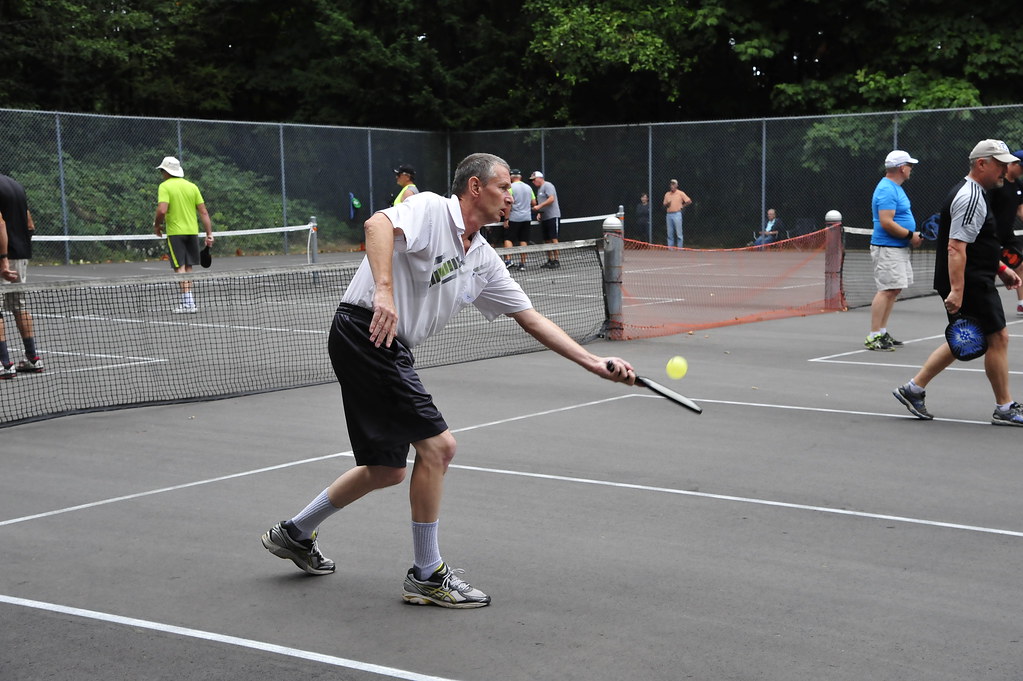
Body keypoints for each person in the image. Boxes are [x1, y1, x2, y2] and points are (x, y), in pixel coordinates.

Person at [261, 153, 637, 607]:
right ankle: (426, 574)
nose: (510, 198)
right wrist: (384, 291)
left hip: (384, 344)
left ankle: (295, 532)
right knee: (439, 448)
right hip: (367, 330)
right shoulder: (432, 209)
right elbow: (378, 225)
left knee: (386, 470)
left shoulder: (482, 257)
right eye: (503, 188)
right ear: (475, 187)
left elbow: (530, 318)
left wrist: (594, 362)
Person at [893, 139, 1023, 426]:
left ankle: (914, 389)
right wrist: (957, 291)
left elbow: (977, 242)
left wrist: (1001, 268)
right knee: (996, 337)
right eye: (999, 165)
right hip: (971, 281)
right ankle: (1004, 407)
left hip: (975, 277)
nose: (1005, 170)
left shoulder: (977, 193)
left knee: (970, 337)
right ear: (982, 164)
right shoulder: (970, 197)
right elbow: (956, 247)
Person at [864, 150, 924, 351]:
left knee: (894, 289)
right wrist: (910, 235)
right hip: (887, 248)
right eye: (910, 165)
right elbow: (886, 222)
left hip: (897, 248)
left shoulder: (895, 188)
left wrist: (912, 236)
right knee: (886, 290)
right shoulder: (887, 189)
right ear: (902, 168)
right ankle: (874, 335)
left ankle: (881, 332)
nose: (911, 169)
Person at [152, 156, 213, 314]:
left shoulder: (165, 186)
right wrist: (209, 234)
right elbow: (204, 212)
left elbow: (162, 210)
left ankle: (188, 302)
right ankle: (188, 301)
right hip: (192, 232)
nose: (161, 174)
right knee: (188, 266)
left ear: (166, 172)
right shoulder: (192, 187)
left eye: (162, 171)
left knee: (179, 267)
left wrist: (157, 225)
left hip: (176, 233)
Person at [0, 172, 42, 379]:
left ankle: (4, 364)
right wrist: (20, 248)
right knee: (19, 307)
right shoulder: (16, 185)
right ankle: (33, 359)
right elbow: (30, 224)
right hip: (20, 255)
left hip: (3, 257)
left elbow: (0, 224)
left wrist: (4, 259)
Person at [989, 149, 1023, 316]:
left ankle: (1021, 304)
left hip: (1008, 237)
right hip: (991, 236)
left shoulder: (1018, 185)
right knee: (988, 269)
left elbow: (1020, 210)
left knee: (1020, 265)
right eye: (1022, 167)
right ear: (1013, 164)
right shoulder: (997, 183)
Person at [503, 169, 536, 270]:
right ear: (520, 177)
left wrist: (506, 219)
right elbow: (534, 203)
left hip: (514, 218)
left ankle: (508, 261)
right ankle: (522, 263)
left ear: (511, 177)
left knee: (508, 239)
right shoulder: (528, 187)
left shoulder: (510, 188)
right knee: (523, 239)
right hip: (526, 218)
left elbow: (508, 204)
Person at [530, 171, 561, 268]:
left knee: (553, 238)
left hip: (552, 216)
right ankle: (550, 260)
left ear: (540, 178)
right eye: (532, 180)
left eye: (534, 180)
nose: (533, 182)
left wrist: (539, 207)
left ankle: (556, 260)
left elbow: (551, 199)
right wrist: (539, 213)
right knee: (546, 240)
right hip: (544, 218)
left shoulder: (548, 185)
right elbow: (541, 203)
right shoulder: (539, 190)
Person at [662, 179, 692, 248]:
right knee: (670, 233)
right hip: (669, 214)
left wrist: (682, 206)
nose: (672, 186)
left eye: (674, 184)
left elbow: (689, 201)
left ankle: (679, 249)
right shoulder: (667, 194)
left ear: (676, 185)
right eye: (671, 185)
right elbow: (664, 205)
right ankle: (670, 248)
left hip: (677, 214)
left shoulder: (680, 193)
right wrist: (667, 205)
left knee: (679, 233)